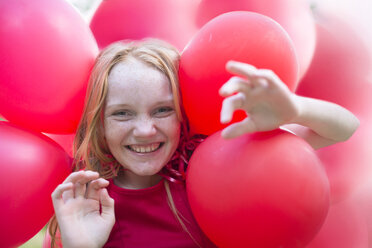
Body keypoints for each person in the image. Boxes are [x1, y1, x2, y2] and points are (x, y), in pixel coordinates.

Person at [46, 39, 359, 248]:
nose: (144, 130)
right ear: (99, 124)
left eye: (163, 110)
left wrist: (296, 109)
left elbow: (343, 129)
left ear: (184, 113)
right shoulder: (87, 205)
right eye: (122, 113)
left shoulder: (212, 166)